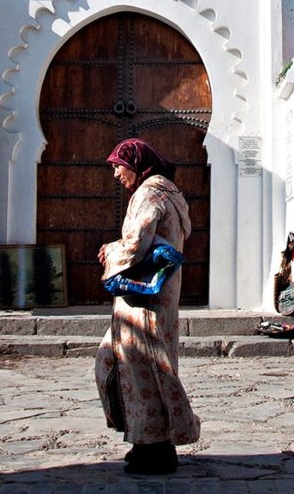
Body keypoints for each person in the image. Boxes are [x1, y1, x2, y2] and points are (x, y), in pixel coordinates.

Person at [95, 138, 201, 475]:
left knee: (143, 369)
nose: (115, 173)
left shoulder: (150, 193)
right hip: (158, 298)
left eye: (117, 165)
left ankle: (155, 450)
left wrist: (110, 251)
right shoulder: (170, 192)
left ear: (135, 163)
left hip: (143, 302)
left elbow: (137, 244)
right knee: (132, 365)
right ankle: (144, 441)